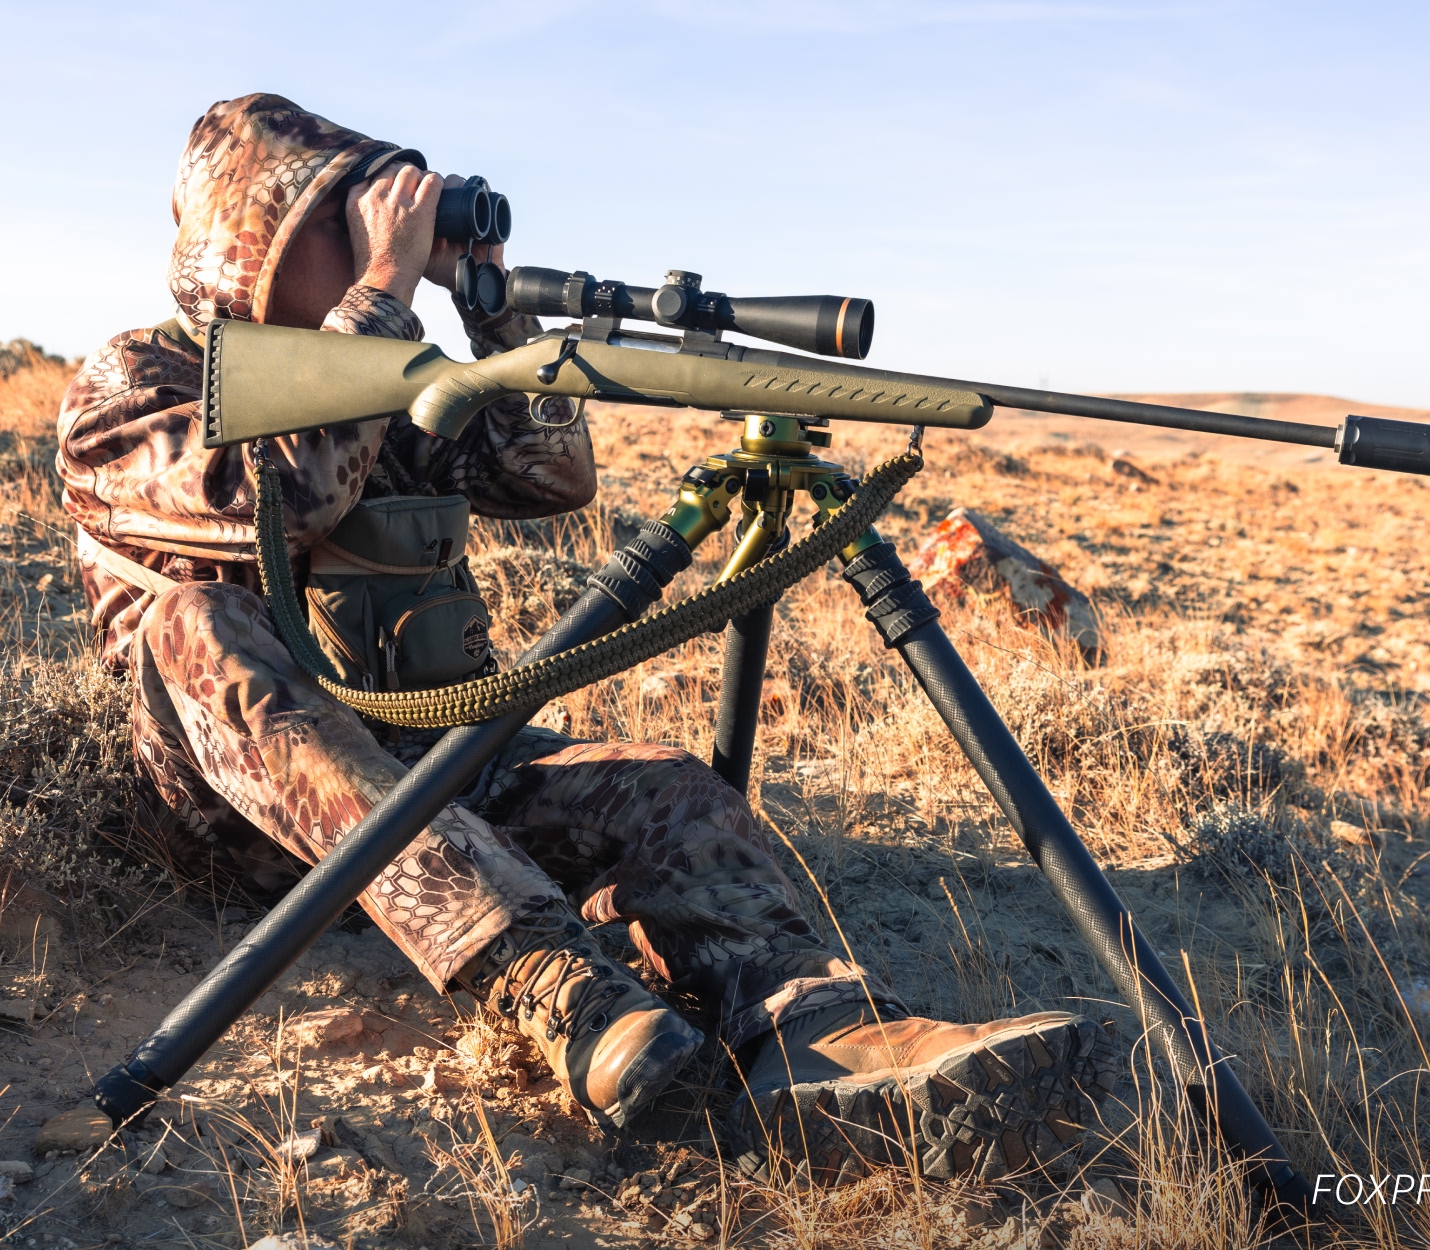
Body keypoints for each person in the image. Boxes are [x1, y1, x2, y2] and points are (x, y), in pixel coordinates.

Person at [57, 93, 1115, 1181]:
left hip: (431, 777)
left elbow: (545, 476)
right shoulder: (134, 385)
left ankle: (826, 1036)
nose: (391, 242)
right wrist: (375, 297)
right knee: (196, 620)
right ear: (253, 242)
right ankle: (559, 990)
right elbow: (273, 503)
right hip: (242, 824)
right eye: (350, 223)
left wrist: (493, 321)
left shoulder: (381, 373)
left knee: (663, 784)